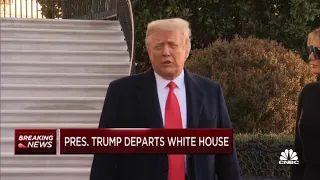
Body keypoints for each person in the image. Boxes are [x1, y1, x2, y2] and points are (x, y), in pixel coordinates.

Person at [89, 18, 241, 180]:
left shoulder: (211, 92)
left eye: (172, 45)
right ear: (149, 51)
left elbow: (227, 159)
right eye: (159, 46)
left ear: (186, 49)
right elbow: (104, 158)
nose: (166, 52)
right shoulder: (122, 93)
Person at [291, 27, 320, 180]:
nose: (310, 56)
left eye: (317, 51)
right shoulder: (309, 93)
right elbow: (298, 150)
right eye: (310, 49)